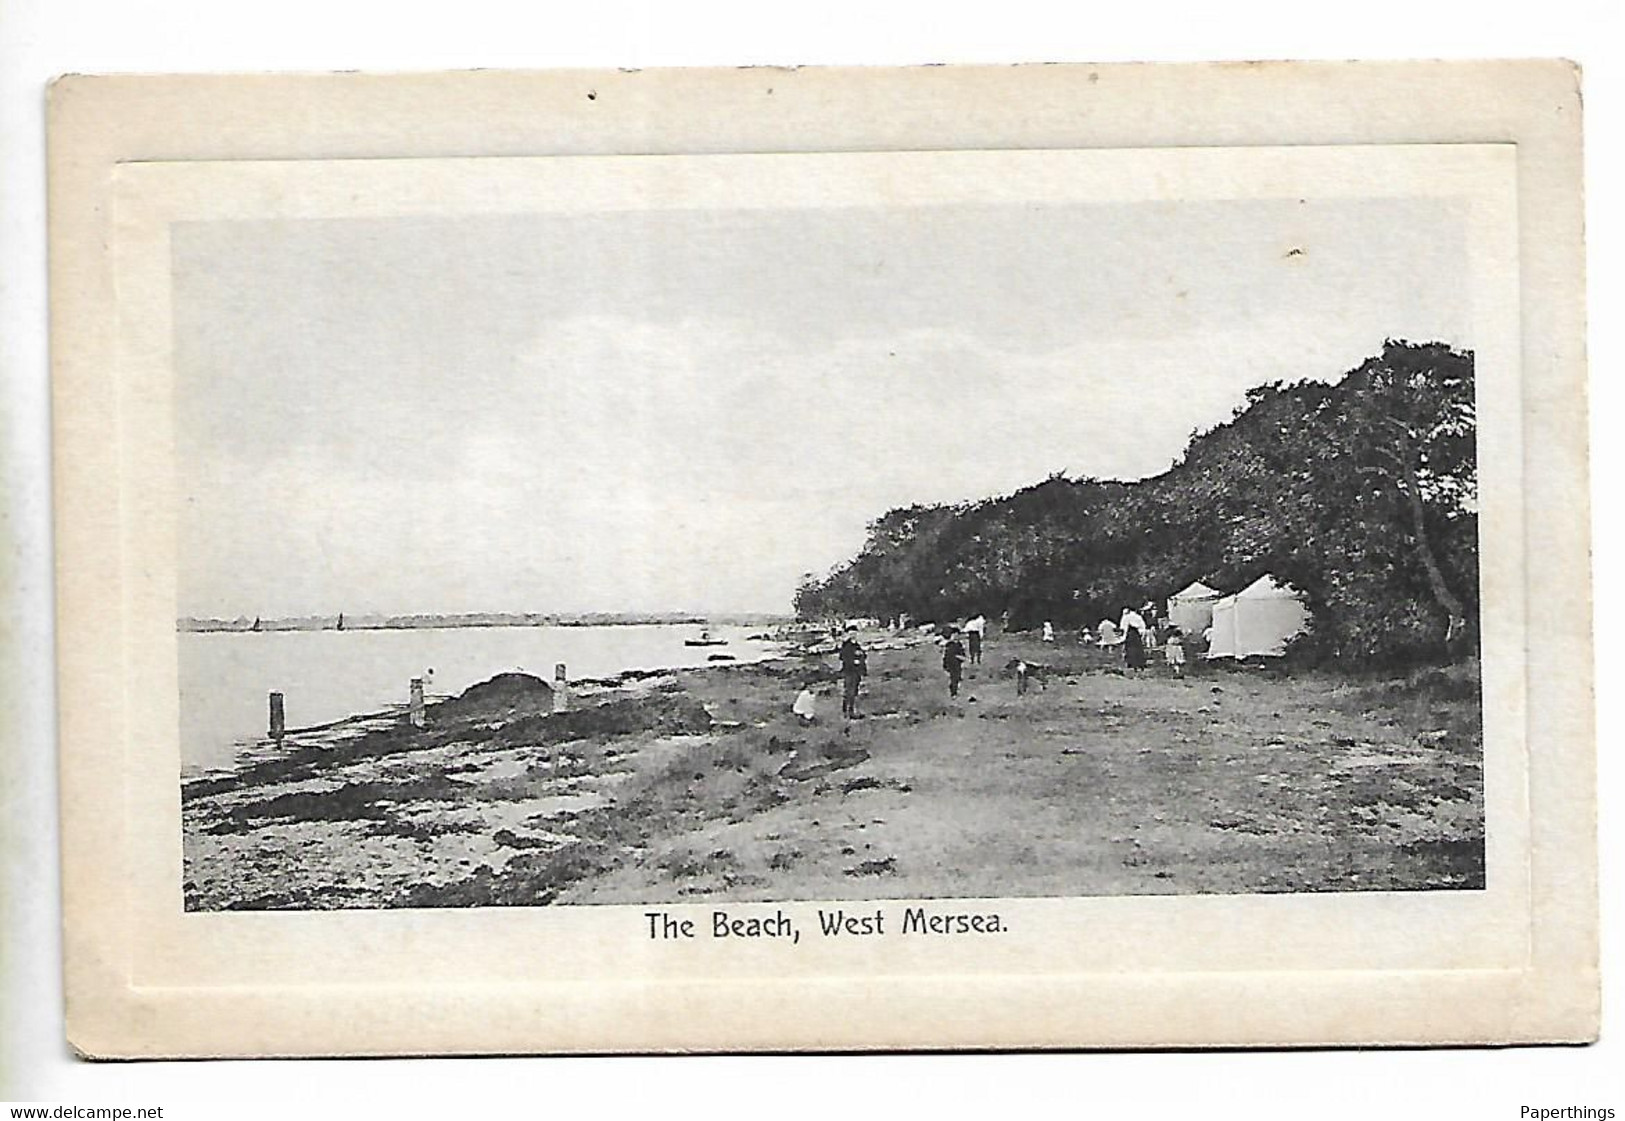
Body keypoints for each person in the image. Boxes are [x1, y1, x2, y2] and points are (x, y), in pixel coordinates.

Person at [837, 630, 867, 719]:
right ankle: (848, 711)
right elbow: (842, 657)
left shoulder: (857, 645)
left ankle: (850, 710)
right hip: (849, 671)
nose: (853, 635)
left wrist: (861, 657)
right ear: (849, 635)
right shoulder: (846, 645)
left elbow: (863, 656)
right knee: (849, 691)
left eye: (855, 633)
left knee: (854, 691)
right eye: (851, 634)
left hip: (856, 671)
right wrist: (853, 661)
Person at [942, 629, 966, 698]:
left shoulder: (959, 644)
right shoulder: (950, 645)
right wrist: (945, 665)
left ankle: (954, 690)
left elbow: (962, 654)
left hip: (957, 664)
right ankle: (953, 692)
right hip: (952, 664)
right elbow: (947, 656)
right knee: (954, 678)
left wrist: (962, 658)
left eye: (958, 635)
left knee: (957, 677)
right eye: (955, 635)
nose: (957, 636)